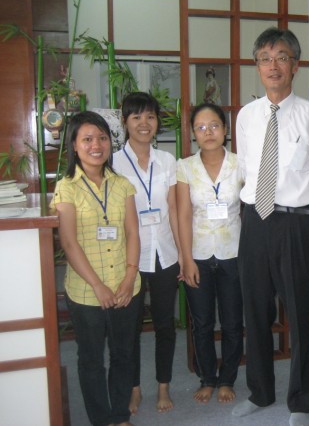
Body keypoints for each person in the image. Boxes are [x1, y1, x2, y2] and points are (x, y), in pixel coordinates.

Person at [232, 27, 309, 426]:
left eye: (281, 58)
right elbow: (245, 167)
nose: (272, 66)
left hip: (296, 223)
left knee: (301, 313)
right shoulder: (246, 116)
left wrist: (300, 203)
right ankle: (260, 391)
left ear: (295, 65)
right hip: (255, 221)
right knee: (255, 309)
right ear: (257, 66)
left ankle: (301, 402)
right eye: (264, 59)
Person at [52, 111, 142, 426]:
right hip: (86, 291)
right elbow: (68, 242)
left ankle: (120, 416)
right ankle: (101, 420)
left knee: (123, 354)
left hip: (125, 286)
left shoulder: (122, 185)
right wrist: (98, 285)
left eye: (102, 138)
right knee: (91, 360)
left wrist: (129, 277)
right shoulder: (66, 188)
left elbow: (133, 233)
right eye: (87, 139)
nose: (96, 145)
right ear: (74, 146)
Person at [112, 92, 182, 414]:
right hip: (131, 259)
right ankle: (135, 388)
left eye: (150, 116)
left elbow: (173, 210)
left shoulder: (167, 161)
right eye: (136, 117)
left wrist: (184, 255)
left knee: (165, 324)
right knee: (131, 327)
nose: (144, 123)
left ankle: (163, 386)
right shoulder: (113, 163)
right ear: (125, 122)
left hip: (165, 253)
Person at [177, 103, 244, 404]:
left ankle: (227, 378)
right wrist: (186, 259)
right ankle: (207, 377)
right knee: (202, 322)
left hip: (233, 253)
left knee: (232, 322)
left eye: (214, 125)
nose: (208, 132)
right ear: (193, 133)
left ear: (225, 129)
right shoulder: (185, 167)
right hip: (199, 255)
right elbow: (182, 215)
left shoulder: (240, 164)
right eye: (201, 127)